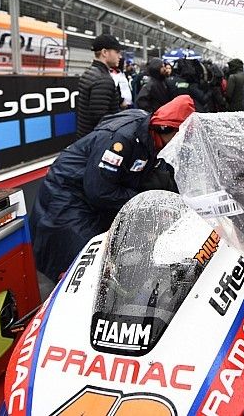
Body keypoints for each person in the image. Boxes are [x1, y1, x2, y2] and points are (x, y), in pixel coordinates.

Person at [31, 95, 195, 288]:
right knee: (84, 262)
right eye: (182, 136)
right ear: (168, 128)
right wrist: (145, 203)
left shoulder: (152, 135)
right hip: (68, 194)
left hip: (97, 190)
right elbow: (100, 192)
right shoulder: (123, 138)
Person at [76, 34, 123, 138]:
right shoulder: (103, 79)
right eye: (117, 52)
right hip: (96, 141)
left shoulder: (88, 72)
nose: (120, 56)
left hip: (85, 137)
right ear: (105, 52)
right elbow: (100, 119)